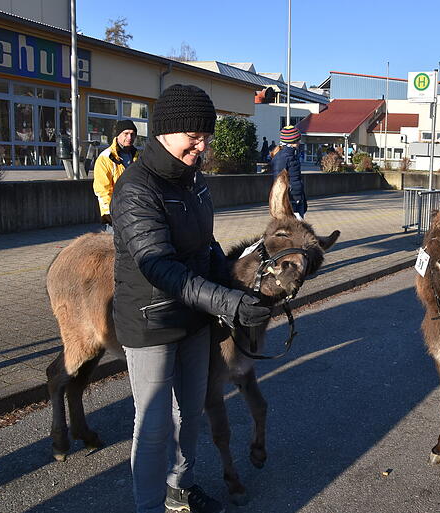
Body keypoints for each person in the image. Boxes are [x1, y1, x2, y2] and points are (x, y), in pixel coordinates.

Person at [111, 84, 272, 513]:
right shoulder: (135, 188)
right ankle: (149, 506)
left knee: (191, 414)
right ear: (166, 131)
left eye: (207, 137)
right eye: (194, 137)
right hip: (151, 321)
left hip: (194, 317)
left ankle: (180, 489)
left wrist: (237, 290)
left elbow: (206, 247)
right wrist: (225, 302)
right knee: (153, 425)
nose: (202, 147)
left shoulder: (195, 181)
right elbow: (158, 266)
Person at [93, 119, 139, 232]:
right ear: (118, 135)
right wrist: (108, 214)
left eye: (132, 134)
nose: (129, 137)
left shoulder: (137, 156)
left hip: (135, 211)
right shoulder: (105, 158)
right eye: (126, 133)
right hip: (116, 214)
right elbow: (102, 190)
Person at [270, 125, 307, 219]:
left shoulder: (293, 155)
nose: (299, 142)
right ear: (292, 141)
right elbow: (279, 181)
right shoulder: (282, 158)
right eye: (298, 139)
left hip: (297, 198)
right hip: (290, 199)